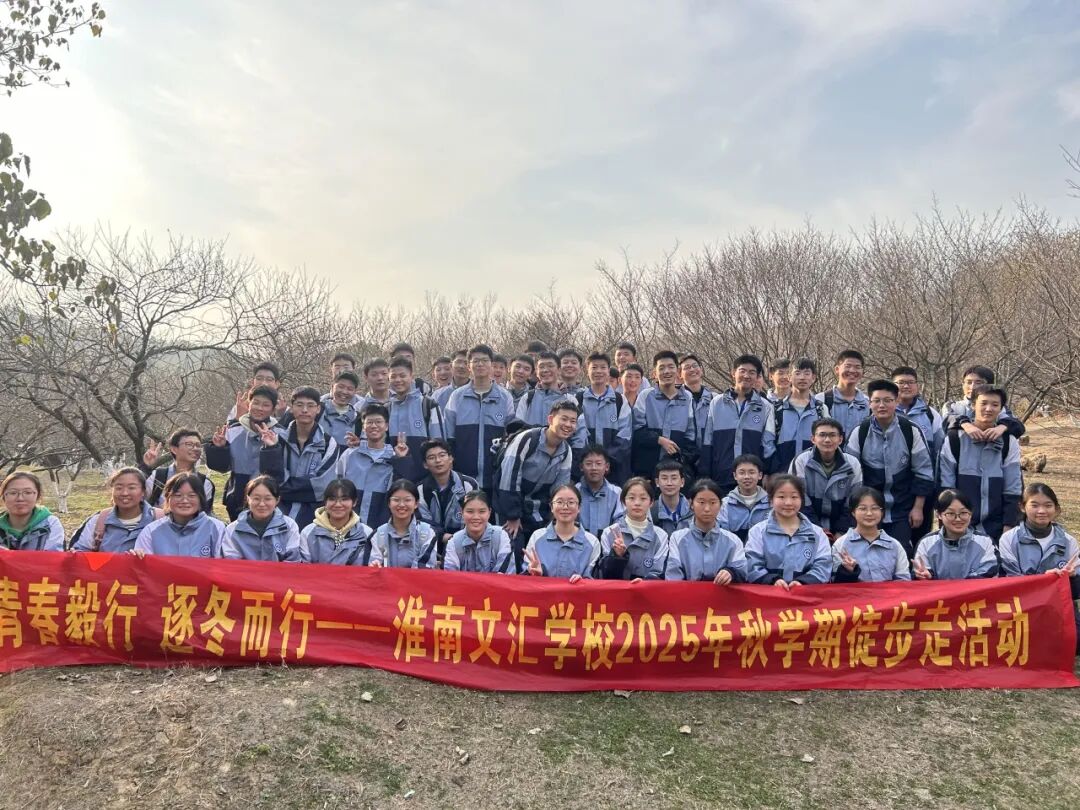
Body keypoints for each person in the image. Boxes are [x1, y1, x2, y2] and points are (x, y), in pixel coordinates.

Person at [846, 379, 934, 557]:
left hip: (902, 508)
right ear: (869, 403)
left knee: (901, 554)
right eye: (876, 400)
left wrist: (918, 508)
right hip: (869, 509)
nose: (882, 405)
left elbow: (924, 471)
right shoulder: (860, 432)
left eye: (887, 400)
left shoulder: (910, 430)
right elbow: (851, 474)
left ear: (897, 401)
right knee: (866, 555)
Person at [495, 399, 578, 570]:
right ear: (550, 419)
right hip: (509, 504)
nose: (568, 425)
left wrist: (555, 518)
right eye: (564, 419)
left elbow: (560, 490)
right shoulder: (527, 439)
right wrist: (512, 516)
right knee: (512, 548)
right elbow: (509, 478)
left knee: (539, 552)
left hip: (537, 509)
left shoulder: (566, 451)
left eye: (573, 421)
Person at [939, 384, 1022, 540]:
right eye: (983, 403)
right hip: (960, 524)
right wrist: (948, 524)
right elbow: (946, 484)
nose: (988, 409)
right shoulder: (955, 438)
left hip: (996, 526)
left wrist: (1009, 524)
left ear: (1001, 409)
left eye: (995, 405)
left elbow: (1013, 486)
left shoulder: (1008, 441)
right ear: (973, 405)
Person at [259, 386, 341, 528]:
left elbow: (322, 485)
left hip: (313, 515)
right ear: (291, 408)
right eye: (299, 405)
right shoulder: (277, 440)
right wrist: (271, 449)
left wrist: (283, 489)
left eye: (310, 405)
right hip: (278, 510)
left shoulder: (328, 443)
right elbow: (270, 480)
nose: (304, 410)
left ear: (318, 409)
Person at [444, 344, 515, 492]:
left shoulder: (504, 397)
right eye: (475, 361)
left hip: (495, 475)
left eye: (484, 360)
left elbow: (511, 436)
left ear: (491, 364)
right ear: (469, 366)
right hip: (463, 476)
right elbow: (449, 437)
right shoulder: (457, 396)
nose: (480, 364)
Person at [206, 385, 281, 521]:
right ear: (249, 404)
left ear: (273, 409)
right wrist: (219, 449)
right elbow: (221, 468)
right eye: (256, 403)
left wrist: (271, 448)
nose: (259, 408)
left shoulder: (281, 434)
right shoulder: (233, 431)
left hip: (268, 500)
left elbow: (279, 471)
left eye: (265, 405)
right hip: (237, 498)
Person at [702, 354, 776, 492]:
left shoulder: (765, 407)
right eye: (742, 371)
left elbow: (768, 445)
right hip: (721, 475)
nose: (746, 376)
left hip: (752, 479)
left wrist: (766, 472)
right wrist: (706, 474)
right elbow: (708, 441)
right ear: (733, 373)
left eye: (752, 372)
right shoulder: (717, 403)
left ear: (757, 377)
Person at [745, 475, 831, 588]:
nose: (788, 502)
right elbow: (752, 565)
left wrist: (803, 582)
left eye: (794, 497)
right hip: (768, 594)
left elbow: (823, 566)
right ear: (771, 500)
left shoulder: (817, 533)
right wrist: (772, 580)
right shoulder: (757, 532)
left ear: (802, 500)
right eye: (781, 497)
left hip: (805, 595)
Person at [336, 402, 411, 528]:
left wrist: (402, 460)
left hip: (381, 526)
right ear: (363, 427)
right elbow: (336, 485)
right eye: (369, 422)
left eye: (378, 422)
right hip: (347, 524)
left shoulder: (395, 457)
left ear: (386, 426)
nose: (374, 426)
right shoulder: (350, 455)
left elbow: (403, 491)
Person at [658, 478, 746, 584]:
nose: (707, 509)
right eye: (701, 502)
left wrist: (731, 573)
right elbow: (673, 577)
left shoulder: (733, 541)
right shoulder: (677, 538)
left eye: (713, 502)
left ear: (720, 505)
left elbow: (742, 571)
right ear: (691, 504)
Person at [790, 418, 863, 538]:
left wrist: (841, 531)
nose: (827, 440)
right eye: (822, 435)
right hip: (808, 527)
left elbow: (854, 501)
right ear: (813, 439)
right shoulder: (801, 461)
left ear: (840, 439)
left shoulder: (853, 463)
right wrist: (818, 531)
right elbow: (800, 500)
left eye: (832, 435)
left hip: (843, 528)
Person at [631, 350, 699, 478]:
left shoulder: (687, 397)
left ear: (677, 371)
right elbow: (637, 431)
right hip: (648, 470)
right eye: (661, 368)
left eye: (671, 367)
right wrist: (659, 440)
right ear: (654, 374)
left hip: (676, 471)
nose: (667, 371)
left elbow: (691, 436)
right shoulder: (646, 396)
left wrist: (682, 460)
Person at [132, 472, 227, 558]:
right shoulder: (151, 531)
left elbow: (224, 566)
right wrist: (137, 557)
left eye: (192, 496)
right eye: (178, 495)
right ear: (168, 498)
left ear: (201, 499)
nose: (184, 501)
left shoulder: (216, 528)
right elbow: (142, 568)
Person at [571, 352, 632, 483]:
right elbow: (578, 436)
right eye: (594, 367)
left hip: (615, 469)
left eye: (603, 367)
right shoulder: (578, 399)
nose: (598, 371)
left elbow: (625, 436)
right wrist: (590, 462)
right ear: (587, 371)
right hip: (584, 469)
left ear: (608, 371)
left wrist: (605, 461)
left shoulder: (620, 400)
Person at [70, 467, 162, 553]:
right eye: (119, 488)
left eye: (131, 488)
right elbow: (82, 553)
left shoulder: (160, 520)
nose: (124, 493)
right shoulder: (98, 521)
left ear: (143, 491)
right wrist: (76, 554)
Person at [998, 483, 1080, 579]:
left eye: (1048, 506)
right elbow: (1012, 580)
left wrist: (1072, 576)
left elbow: (1076, 581)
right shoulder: (1008, 539)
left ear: (1056, 509)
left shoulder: (1069, 542)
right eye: (1035, 506)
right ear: (1022, 507)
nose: (1041, 511)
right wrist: (1045, 578)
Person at [416, 439, 478, 565]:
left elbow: (476, 515)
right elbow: (424, 523)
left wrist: (459, 539)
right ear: (425, 464)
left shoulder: (468, 485)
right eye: (431, 457)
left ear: (451, 458)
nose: (438, 460)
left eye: (442, 455)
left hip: (466, 544)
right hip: (433, 546)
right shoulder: (420, 490)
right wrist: (443, 536)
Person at [912, 489, 999, 580]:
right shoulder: (926, 543)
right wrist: (927, 576)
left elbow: (989, 573)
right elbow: (920, 574)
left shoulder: (985, 542)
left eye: (963, 513)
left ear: (971, 513)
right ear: (939, 514)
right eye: (951, 513)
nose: (958, 519)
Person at [831, 487, 912, 582]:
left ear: (882, 512)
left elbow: (904, 581)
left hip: (889, 592)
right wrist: (847, 572)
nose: (869, 513)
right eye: (863, 508)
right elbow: (835, 583)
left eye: (874, 508)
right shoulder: (841, 544)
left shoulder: (894, 545)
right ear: (853, 512)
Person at [523, 485, 601, 581]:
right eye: (559, 502)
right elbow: (524, 576)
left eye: (571, 502)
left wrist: (583, 581)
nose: (565, 507)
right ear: (551, 507)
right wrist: (533, 573)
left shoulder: (592, 542)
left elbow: (595, 580)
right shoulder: (537, 537)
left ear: (579, 507)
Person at [387, 356, 446, 482]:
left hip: (425, 479)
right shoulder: (387, 408)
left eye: (402, 376)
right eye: (393, 376)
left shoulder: (428, 405)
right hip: (394, 480)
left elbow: (439, 444)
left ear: (411, 376)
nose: (398, 380)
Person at [597, 477, 669, 581]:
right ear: (623, 501)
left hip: (647, 589)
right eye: (631, 498)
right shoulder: (610, 532)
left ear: (651, 502)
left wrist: (643, 584)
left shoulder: (661, 536)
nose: (637, 503)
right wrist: (617, 556)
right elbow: (604, 574)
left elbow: (659, 573)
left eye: (643, 498)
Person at [220, 475, 302, 562]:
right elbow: (231, 564)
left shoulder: (289, 526)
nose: (262, 504)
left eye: (268, 499)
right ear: (248, 499)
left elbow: (293, 561)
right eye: (256, 498)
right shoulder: (232, 530)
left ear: (277, 500)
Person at [298, 479, 375, 565]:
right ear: (325, 502)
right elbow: (304, 568)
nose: (338, 504)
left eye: (344, 499)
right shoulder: (308, 532)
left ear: (354, 502)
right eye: (332, 499)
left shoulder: (367, 533)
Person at [773, 358, 828, 473]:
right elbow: (768, 442)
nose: (802, 377)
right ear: (789, 377)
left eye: (807, 373)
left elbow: (827, 440)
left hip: (813, 472)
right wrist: (773, 470)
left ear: (813, 378)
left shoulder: (820, 409)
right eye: (797, 373)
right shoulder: (776, 408)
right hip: (782, 473)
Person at [940, 365, 1026, 439]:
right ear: (963, 385)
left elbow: (1017, 425)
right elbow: (947, 420)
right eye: (969, 382)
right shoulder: (952, 406)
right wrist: (965, 424)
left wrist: (1002, 427)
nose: (972, 387)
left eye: (978, 382)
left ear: (989, 385)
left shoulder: (999, 407)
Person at [369, 479, 440, 568]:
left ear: (416, 504)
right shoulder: (378, 534)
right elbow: (373, 565)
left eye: (407, 500)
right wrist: (375, 566)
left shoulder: (427, 532)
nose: (402, 505)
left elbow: (425, 568)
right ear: (389, 503)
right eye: (396, 500)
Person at [140, 428, 215, 512]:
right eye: (189, 444)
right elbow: (136, 498)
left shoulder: (205, 483)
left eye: (198, 445)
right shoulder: (157, 476)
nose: (195, 448)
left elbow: (205, 514)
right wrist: (145, 466)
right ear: (174, 449)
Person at [442, 491, 516, 573]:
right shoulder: (454, 542)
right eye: (470, 511)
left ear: (489, 512)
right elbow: (450, 576)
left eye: (482, 511)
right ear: (462, 513)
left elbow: (505, 576)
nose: (476, 517)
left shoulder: (501, 536)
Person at [815, 349, 869, 448]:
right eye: (848, 366)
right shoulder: (821, 400)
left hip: (858, 456)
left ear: (862, 372)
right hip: (828, 455)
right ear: (837, 369)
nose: (852, 370)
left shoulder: (868, 403)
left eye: (857, 367)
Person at [0, 471, 65, 551]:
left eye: (28, 492)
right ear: (3, 496)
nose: (20, 498)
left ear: (38, 495)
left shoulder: (50, 524)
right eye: (13, 493)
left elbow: (53, 557)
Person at [717, 454, 770, 542]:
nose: (747, 477)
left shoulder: (770, 503)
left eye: (751, 472)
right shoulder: (724, 504)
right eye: (742, 473)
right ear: (735, 476)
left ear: (760, 475)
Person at [575, 445, 625, 536]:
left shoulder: (617, 493)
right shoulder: (574, 492)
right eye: (589, 464)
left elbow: (621, 521)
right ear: (581, 467)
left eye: (598, 464)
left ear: (607, 467)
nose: (594, 468)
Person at [516, 351, 571, 427]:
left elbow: (575, 429)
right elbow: (518, 428)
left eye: (550, 366)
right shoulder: (527, 398)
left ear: (559, 370)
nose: (545, 370)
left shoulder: (569, 399)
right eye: (541, 367)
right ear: (536, 372)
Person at [319, 371, 364, 446]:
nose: (344, 392)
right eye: (341, 387)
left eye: (350, 389)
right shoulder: (318, 410)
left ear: (355, 392)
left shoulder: (358, 419)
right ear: (332, 387)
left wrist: (359, 444)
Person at [679, 353, 714, 449]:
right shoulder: (675, 399)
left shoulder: (714, 399)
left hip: (709, 452)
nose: (692, 369)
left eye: (695, 366)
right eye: (687, 367)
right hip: (684, 452)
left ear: (701, 370)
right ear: (680, 374)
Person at [651, 459, 692, 533]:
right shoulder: (651, 511)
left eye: (674, 478)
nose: (669, 483)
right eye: (664, 478)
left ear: (682, 482)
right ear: (657, 482)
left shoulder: (693, 510)